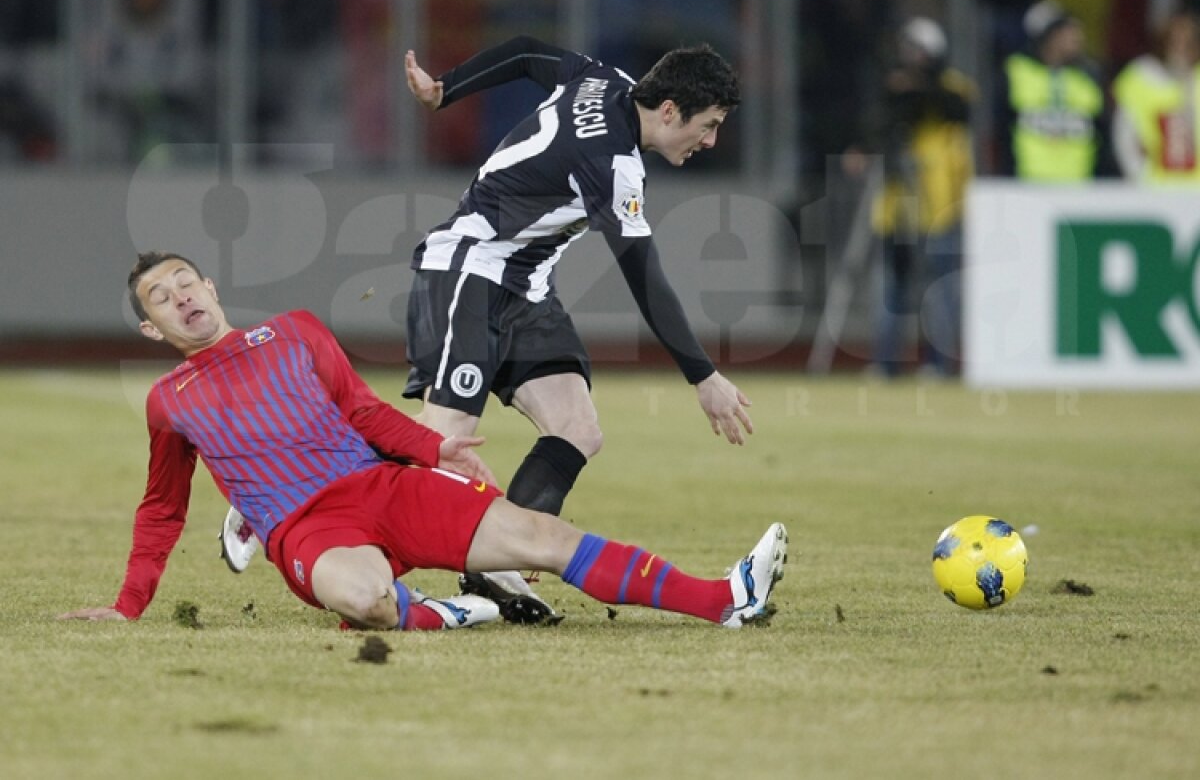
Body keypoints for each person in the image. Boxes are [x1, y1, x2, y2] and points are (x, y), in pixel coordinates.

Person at [220, 34, 757, 613]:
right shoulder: (612, 163)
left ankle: (494, 571)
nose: (712, 139)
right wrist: (703, 377)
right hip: (468, 271)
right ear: (671, 110)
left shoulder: (606, 82)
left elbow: (527, 52)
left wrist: (446, 88)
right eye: (710, 123)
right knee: (441, 437)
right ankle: (279, 493)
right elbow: (645, 278)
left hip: (524, 286)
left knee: (577, 428)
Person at [60, 252, 788, 633]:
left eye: (187, 282)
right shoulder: (168, 402)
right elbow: (160, 510)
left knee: (544, 535)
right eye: (162, 297)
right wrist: (128, 604)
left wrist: (436, 449)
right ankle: (440, 610)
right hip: (309, 527)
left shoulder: (295, 329)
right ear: (152, 329)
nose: (182, 296)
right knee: (367, 601)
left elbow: (364, 410)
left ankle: (726, 597)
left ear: (212, 287)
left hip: (385, 485)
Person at [868, 18, 976, 378]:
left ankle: (936, 363)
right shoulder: (894, 89)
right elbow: (879, 125)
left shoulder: (953, 88)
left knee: (939, 289)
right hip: (899, 202)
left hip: (942, 204)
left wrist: (915, 86)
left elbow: (956, 109)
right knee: (893, 287)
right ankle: (886, 363)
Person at [998, 0, 1108, 182]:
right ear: (1048, 36)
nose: (1078, 37)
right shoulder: (1016, 70)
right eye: (1068, 30)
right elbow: (1001, 128)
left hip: (1081, 183)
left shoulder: (1089, 76)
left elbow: (1102, 131)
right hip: (1027, 182)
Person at [1112, 11, 1200, 185]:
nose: (1181, 49)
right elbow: (1125, 138)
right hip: (1157, 187)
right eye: (1175, 42)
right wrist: (1139, 177)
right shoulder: (1140, 78)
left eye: (1188, 43)